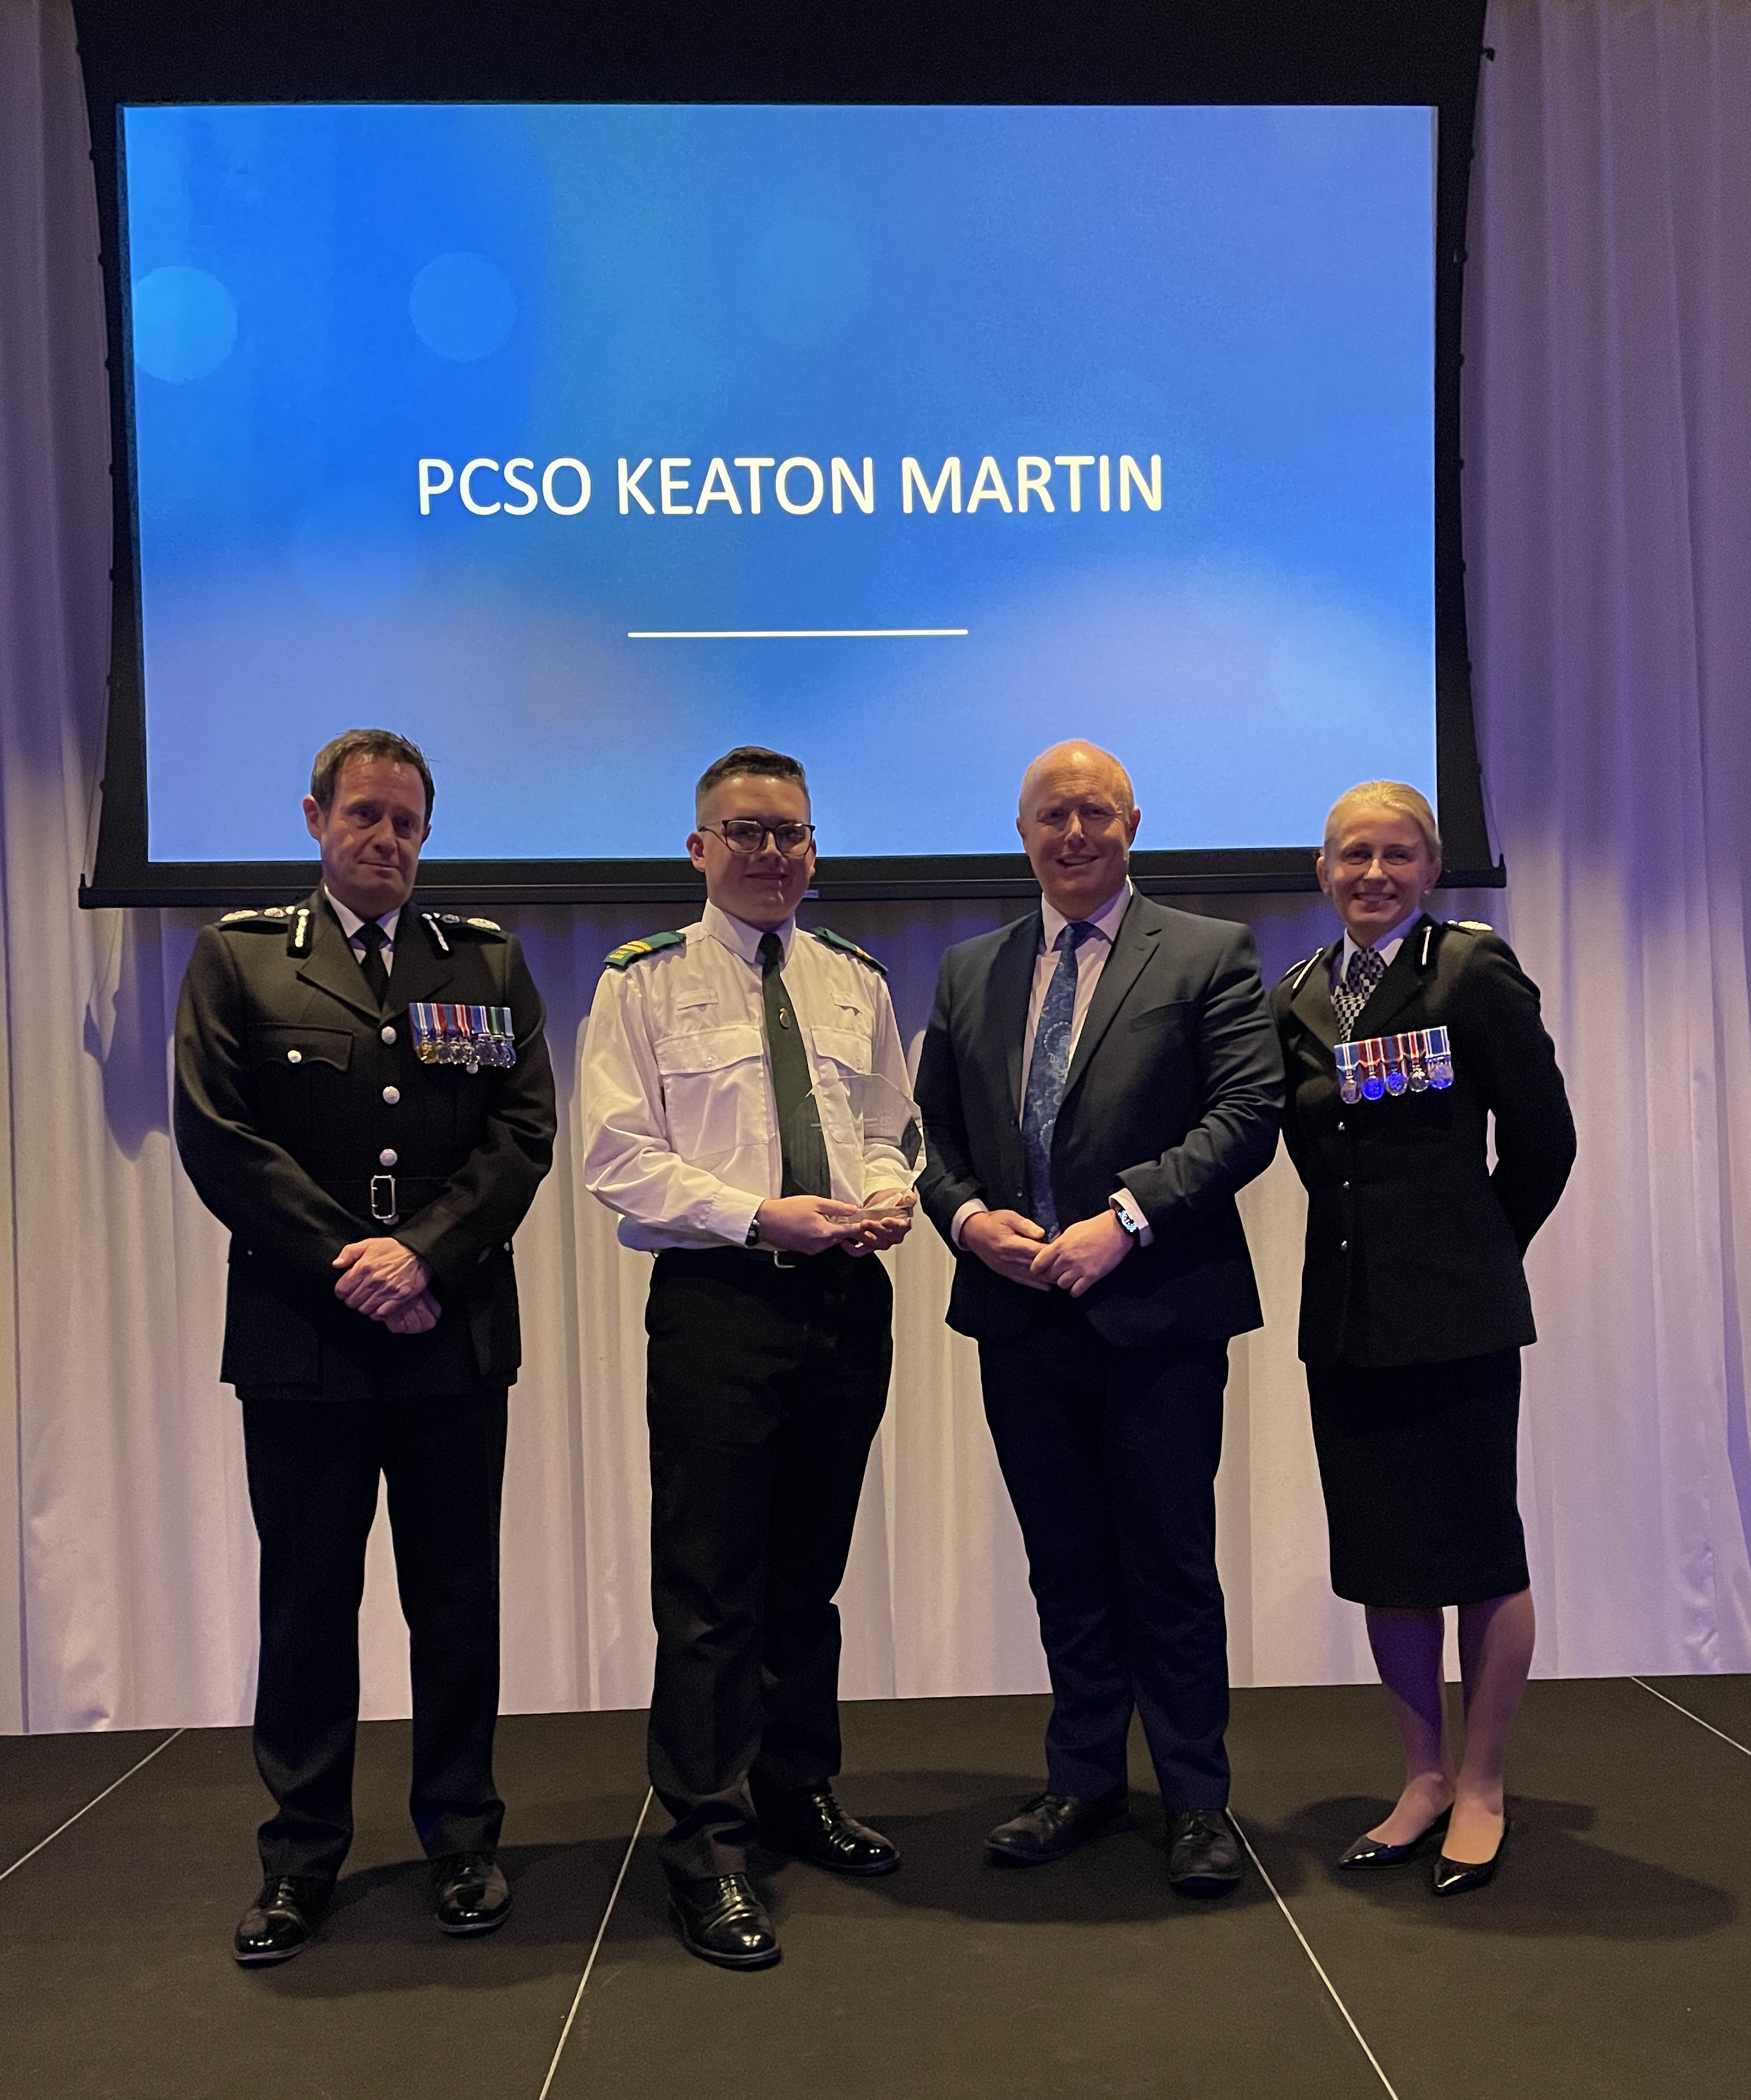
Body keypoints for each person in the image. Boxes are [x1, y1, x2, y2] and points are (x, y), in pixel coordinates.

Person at [174, 728, 556, 1964]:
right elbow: (221, 1138)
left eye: (405, 821)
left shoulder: (483, 963)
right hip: (305, 1339)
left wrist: (423, 1257)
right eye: (363, 816)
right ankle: (299, 1855)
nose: (384, 838)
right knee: (306, 1605)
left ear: (426, 834)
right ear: (315, 818)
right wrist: (351, 1258)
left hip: (448, 1335)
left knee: (455, 1602)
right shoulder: (240, 961)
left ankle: (461, 1838)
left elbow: (520, 1133)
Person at [914, 741, 1282, 1894]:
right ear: (1020, 832)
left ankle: (1195, 1800)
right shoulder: (968, 968)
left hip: (1157, 1309)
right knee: (1063, 1562)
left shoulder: (1209, 951)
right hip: (1020, 1316)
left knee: (1168, 1559)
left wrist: (1124, 1219)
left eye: (1094, 812)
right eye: (1051, 814)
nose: (1074, 833)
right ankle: (1080, 1777)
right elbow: (927, 1137)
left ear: (1132, 823)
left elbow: (1245, 1112)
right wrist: (968, 1219)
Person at [581, 746, 917, 1970]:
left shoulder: (854, 980)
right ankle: (707, 1848)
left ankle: (797, 1790)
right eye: (746, 831)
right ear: (698, 849)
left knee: (805, 1578)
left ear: (814, 849)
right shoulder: (645, 983)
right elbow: (616, 1156)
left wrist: (889, 1188)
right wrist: (752, 1212)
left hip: (844, 1300)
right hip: (721, 1299)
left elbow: (890, 1121)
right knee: (712, 1589)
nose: (771, 853)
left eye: (791, 834)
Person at [1271, 781, 1574, 1894]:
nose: (1373, 874)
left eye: (1397, 855)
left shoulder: (1468, 970)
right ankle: (1422, 1778)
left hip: (1457, 1320)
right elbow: (1313, 1154)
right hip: (1344, 1325)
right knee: (1386, 1557)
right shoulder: (1296, 994)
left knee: (1478, 1549)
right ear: (1322, 870)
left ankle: (1484, 1786)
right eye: (1352, 854)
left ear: (1429, 868)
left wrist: (1477, 1251)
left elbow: (1542, 1137)